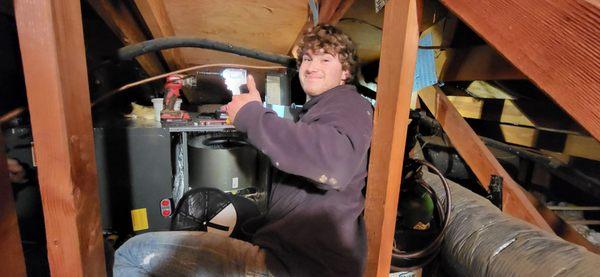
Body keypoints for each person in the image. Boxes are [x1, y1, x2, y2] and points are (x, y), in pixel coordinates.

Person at [113, 24, 373, 277]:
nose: (312, 67)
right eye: (307, 59)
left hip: (294, 265)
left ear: (345, 72)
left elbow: (333, 165)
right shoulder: (320, 111)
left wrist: (252, 115)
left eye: (325, 60)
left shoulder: (348, 103)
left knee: (132, 254)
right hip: (297, 257)